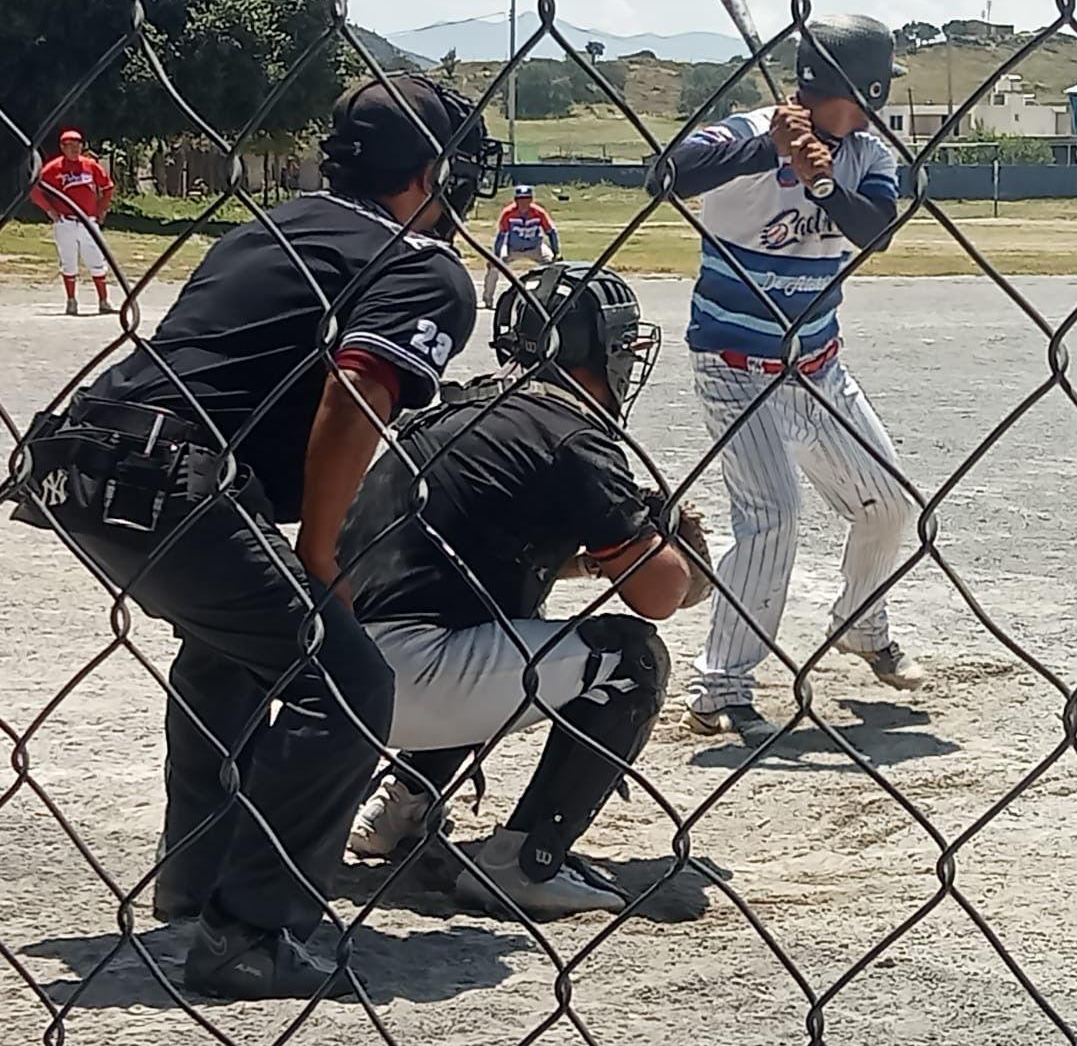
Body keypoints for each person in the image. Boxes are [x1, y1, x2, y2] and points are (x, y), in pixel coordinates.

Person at [4, 75, 501, 999]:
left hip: (78, 459)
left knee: (227, 657)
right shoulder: (421, 264)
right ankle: (248, 933)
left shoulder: (271, 225)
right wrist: (321, 557)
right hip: (171, 477)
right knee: (348, 683)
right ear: (426, 171)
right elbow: (355, 393)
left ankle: (196, 883)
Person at [337, 261, 704, 915]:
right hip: (417, 677)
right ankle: (524, 861)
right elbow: (661, 596)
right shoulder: (570, 435)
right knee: (634, 659)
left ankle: (398, 807)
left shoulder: (459, 412)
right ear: (598, 349)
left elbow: (466, 558)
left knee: (493, 614)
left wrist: (592, 563)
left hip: (334, 675)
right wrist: (665, 538)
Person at [647, 14, 925, 746]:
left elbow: (876, 232)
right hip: (734, 365)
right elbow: (665, 174)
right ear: (861, 89)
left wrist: (820, 181)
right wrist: (765, 147)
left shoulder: (867, 154)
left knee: (889, 503)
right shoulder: (747, 134)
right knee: (772, 515)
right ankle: (721, 687)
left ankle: (861, 626)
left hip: (818, 367)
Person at [30, 128, 116, 315]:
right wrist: (49, 209)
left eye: (78, 145)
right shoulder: (54, 168)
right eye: (70, 145)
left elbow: (107, 187)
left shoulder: (90, 165)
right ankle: (71, 301)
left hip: (88, 221)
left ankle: (103, 301)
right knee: (68, 261)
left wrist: (102, 208)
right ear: (62, 147)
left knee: (97, 260)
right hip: (65, 221)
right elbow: (35, 190)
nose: (75, 149)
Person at [482, 182, 560, 308]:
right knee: (494, 266)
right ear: (515, 200)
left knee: (554, 267)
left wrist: (556, 252)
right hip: (512, 248)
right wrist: (496, 255)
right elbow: (501, 235)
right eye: (520, 199)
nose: (523, 203)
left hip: (535, 247)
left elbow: (551, 231)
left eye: (526, 199)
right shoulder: (508, 213)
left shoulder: (538, 212)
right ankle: (487, 299)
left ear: (531, 200)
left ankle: (546, 298)